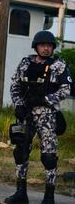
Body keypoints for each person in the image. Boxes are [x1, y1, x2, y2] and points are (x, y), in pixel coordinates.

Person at [5, 30, 72, 204]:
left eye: (49, 45)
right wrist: (18, 103)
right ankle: (21, 192)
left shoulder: (59, 65)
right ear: (36, 46)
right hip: (26, 114)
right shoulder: (26, 63)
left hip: (47, 115)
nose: (46, 48)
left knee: (49, 156)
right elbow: (15, 85)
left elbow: (66, 89)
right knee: (20, 152)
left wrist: (45, 99)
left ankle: (49, 196)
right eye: (42, 45)